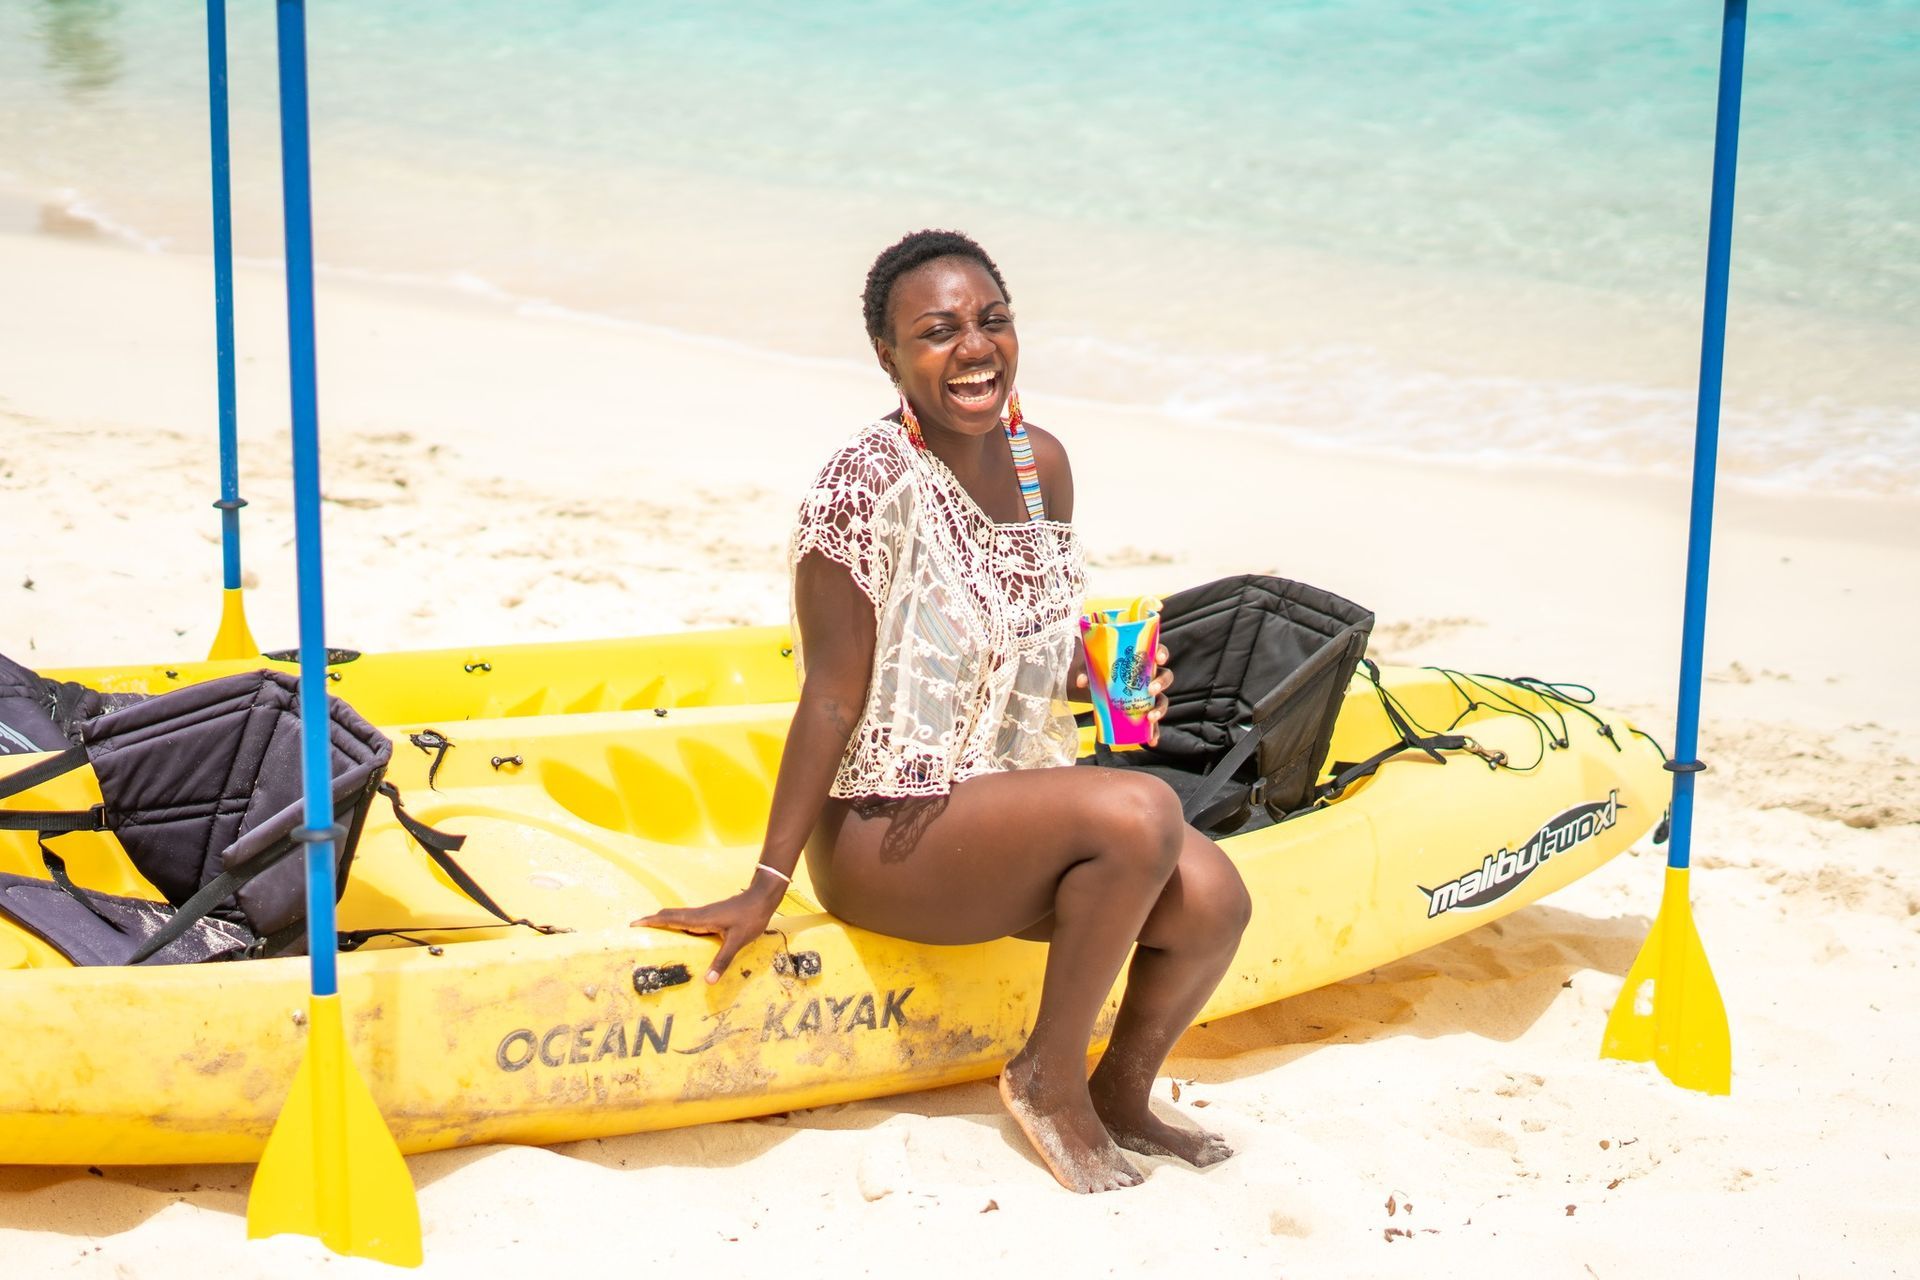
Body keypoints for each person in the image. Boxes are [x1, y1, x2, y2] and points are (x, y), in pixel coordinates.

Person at [635, 229, 1252, 1193]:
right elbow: (833, 694)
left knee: (1216, 898)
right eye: (937, 331)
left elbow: (1025, 649)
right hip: (888, 832)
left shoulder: (1042, 462)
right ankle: (1048, 1081)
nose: (973, 347)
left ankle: (1124, 1094)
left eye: (992, 321)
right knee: (1141, 813)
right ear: (888, 356)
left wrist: (1103, 690)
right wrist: (765, 884)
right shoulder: (862, 487)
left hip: (1001, 810)